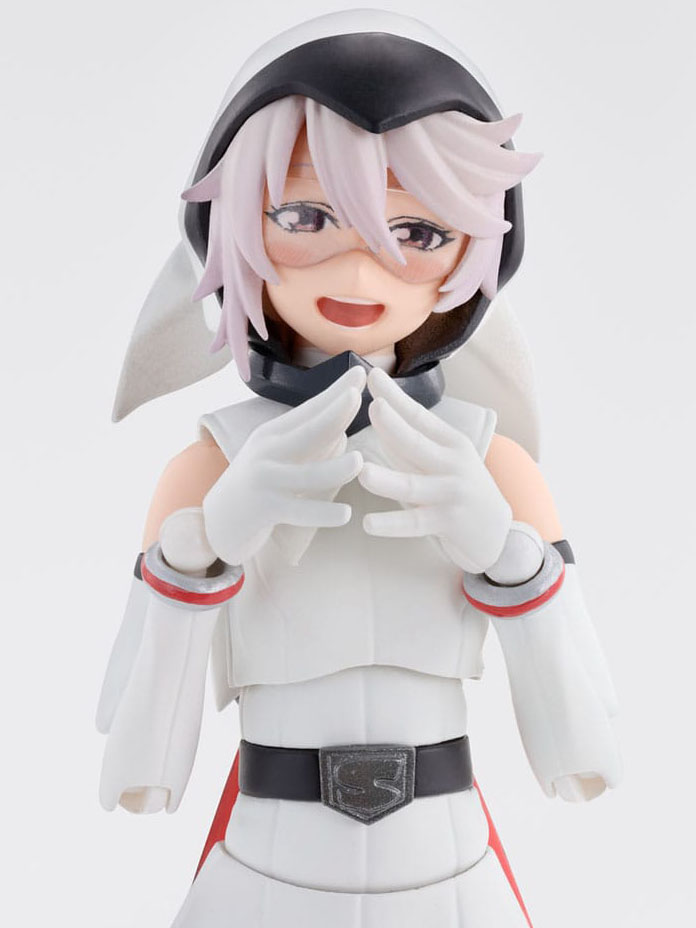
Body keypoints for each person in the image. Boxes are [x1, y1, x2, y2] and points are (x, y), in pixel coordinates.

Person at [97, 11, 621, 927]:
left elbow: (585, 754)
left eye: (418, 231)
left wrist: (510, 560)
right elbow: (140, 770)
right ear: (228, 225)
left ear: (479, 247)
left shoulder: (492, 465)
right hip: (265, 873)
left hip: (449, 873)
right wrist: (201, 551)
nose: (364, 264)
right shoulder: (206, 469)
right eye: (305, 216)